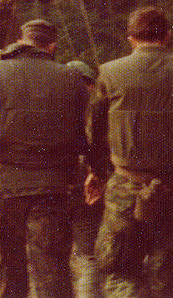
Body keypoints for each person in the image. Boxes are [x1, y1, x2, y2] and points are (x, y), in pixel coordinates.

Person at [0, 18, 89, 297]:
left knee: (8, 268)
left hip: (4, 191)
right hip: (53, 190)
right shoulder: (73, 80)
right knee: (53, 270)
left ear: (21, 42)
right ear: (52, 47)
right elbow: (89, 133)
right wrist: (96, 173)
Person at [86, 6, 173, 296]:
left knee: (120, 268)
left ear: (131, 39)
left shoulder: (109, 72)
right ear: (167, 35)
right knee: (169, 275)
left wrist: (96, 173)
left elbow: (96, 134)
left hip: (125, 186)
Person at [65, 60, 103, 298]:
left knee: (51, 258)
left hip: (55, 188)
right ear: (90, 84)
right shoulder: (99, 109)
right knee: (89, 256)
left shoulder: (51, 106)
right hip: (89, 191)